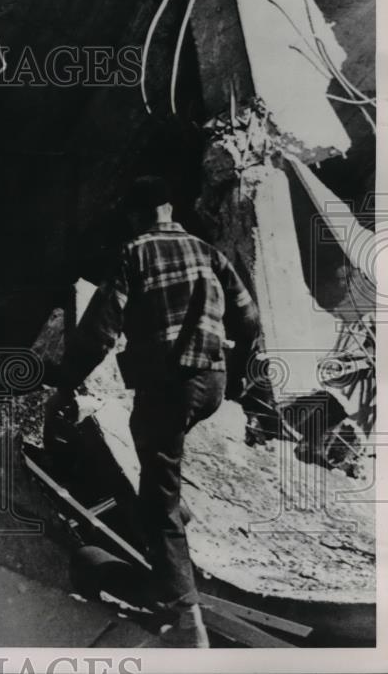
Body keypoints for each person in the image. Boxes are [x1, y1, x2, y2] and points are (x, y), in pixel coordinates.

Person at [49, 175, 260, 648]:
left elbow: (99, 332)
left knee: (158, 496)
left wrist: (64, 385)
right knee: (157, 465)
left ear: (135, 215)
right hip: (211, 385)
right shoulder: (210, 252)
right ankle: (176, 539)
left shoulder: (134, 253)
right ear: (170, 208)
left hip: (169, 388)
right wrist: (236, 367)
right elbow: (249, 319)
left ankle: (186, 619)